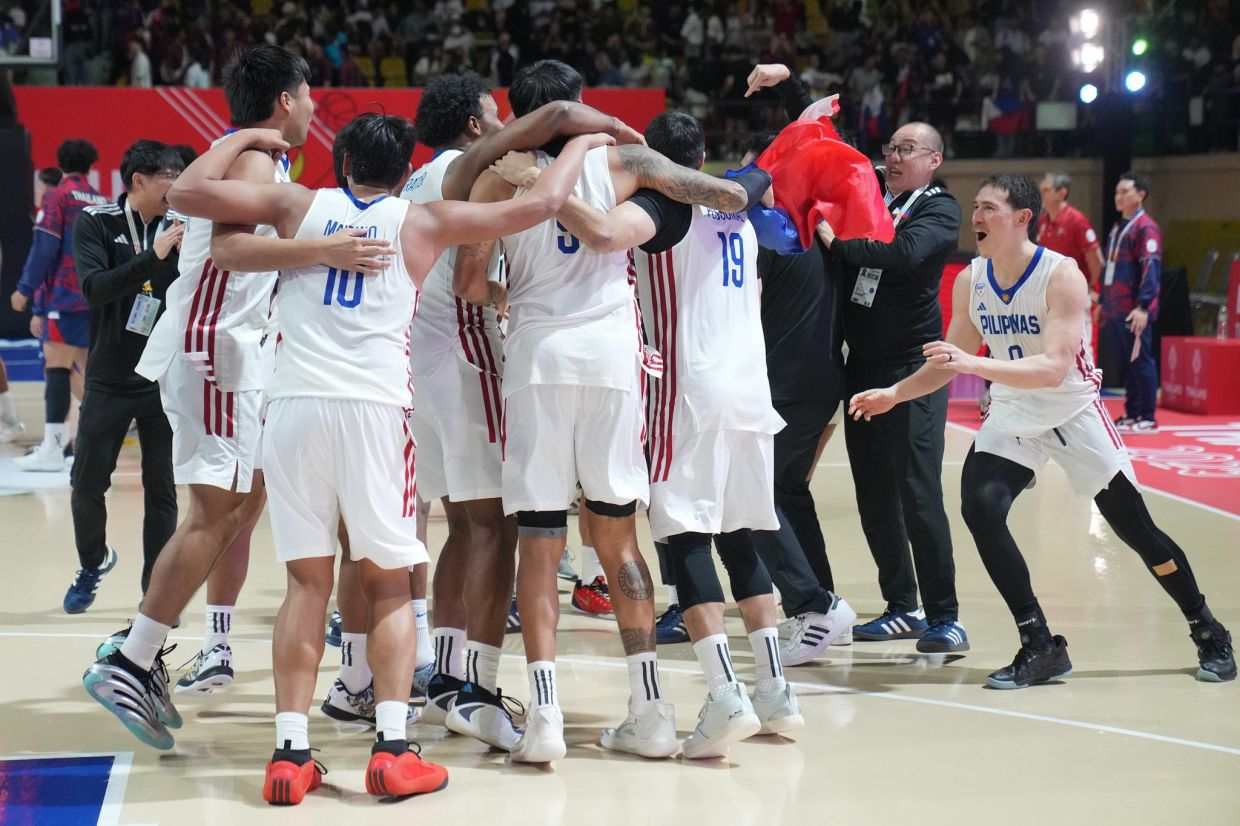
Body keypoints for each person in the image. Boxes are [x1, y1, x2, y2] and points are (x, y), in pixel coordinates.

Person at [165, 115, 609, 804]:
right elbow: (546, 204)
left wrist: (240, 140)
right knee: (392, 584)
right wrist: (581, 144)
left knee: (305, 586)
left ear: (341, 161)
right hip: (373, 411)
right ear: (408, 169)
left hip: (293, 408)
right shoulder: (424, 219)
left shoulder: (296, 204)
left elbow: (188, 197)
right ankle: (393, 748)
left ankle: (289, 756)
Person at [453, 59, 772, 763]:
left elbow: (471, 280)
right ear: (578, 108)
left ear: (524, 113)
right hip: (612, 360)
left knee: (540, 537)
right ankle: (651, 710)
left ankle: (544, 718)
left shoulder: (498, 173)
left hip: (538, 359)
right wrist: (741, 183)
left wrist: (513, 298)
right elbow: (719, 194)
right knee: (619, 537)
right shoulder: (623, 159)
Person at [82, 45, 388, 747]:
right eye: (309, 94)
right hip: (219, 354)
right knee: (215, 512)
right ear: (285, 100)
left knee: (245, 503)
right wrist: (326, 251)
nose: (314, 107)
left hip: (231, 353)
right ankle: (135, 657)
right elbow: (228, 253)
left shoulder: (253, 155)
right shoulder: (253, 162)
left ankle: (148, 650)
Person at [848, 173, 1235, 688]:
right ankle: (1039, 643)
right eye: (976, 208)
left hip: (1071, 410)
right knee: (980, 506)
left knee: (1135, 530)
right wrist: (895, 394)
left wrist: (972, 365)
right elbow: (950, 360)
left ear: (1023, 217)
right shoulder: (972, 279)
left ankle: (1207, 629)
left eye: (989, 208)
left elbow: (1053, 368)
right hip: (1013, 412)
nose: (978, 218)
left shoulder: (1062, 275)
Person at [401, 70, 641, 751]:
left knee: (445, 524)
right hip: (475, 354)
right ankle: (474, 685)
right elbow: (473, 283)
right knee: (500, 531)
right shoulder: (506, 170)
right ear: (479, 124)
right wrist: (616, 130)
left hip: (417, 359)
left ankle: (414, 669)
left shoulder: (430, 175)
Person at [814, 121, 968, 653]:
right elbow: (831, 153)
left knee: (919, 492)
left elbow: (902, 252)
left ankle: (946, 616)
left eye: (907, 150)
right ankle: (903, 606)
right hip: (863, 367)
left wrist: (842, 245)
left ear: (934, 158)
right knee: (874, 493)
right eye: (891, 149)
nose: (895, 157)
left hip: (914, 369)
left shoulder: (939, 209)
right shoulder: (876, 193)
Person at [741, 66, 858, 665]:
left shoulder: (765, 240)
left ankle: (814, 606)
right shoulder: (820, 229)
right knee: (787, 490)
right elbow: (812, 142)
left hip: (787, 385)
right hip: (816, 381)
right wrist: (794, 90)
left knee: (755, 495)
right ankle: (823, 604)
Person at [64, 140, 185, 615]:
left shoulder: (183, 229)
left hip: (162, 380)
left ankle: (154, 594)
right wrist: (152, 258)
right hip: (109, 378)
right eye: (168, 176)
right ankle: (92, 563)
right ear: (139, 180)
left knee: (163, 492)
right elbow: (96, 290)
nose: (176, 185)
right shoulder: (96, 222)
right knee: (87, 485)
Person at [11, 139, 108, 471]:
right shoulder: (101, 200)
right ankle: (103, 437)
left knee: (56, 368)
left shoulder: (58, 196)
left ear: (61, 162)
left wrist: (25, 290)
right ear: (91, 164)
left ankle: (53, 448)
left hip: (65, 298)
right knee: (90, 375)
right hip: (96, 296)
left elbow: (44, 249)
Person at [1100, 171, 1162, 434]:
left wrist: (1143, 306)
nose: (1119, 197)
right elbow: (1110, 267)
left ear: (1140, 194)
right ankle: (1132, 412)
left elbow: (1150, 268)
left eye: (1125, 191)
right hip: (1115, 307)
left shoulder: (1146, 228)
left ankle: (1147, 416)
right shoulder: (1117, 228)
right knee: (1126, 361)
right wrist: (1103, 302)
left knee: (1141, 360)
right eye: (1117, 192)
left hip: (1135, 309)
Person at [1036, 171, 1103, 356]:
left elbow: (1095, 259)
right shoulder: (1043, 222)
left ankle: (1088, 384)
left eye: (1046, 190)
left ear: (1062, 193)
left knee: (1081, 346)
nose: (1042, 194)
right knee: (1050, 345)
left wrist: (1087, 288)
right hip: (1048, 295)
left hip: (1075, 294)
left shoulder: (1077, 221)